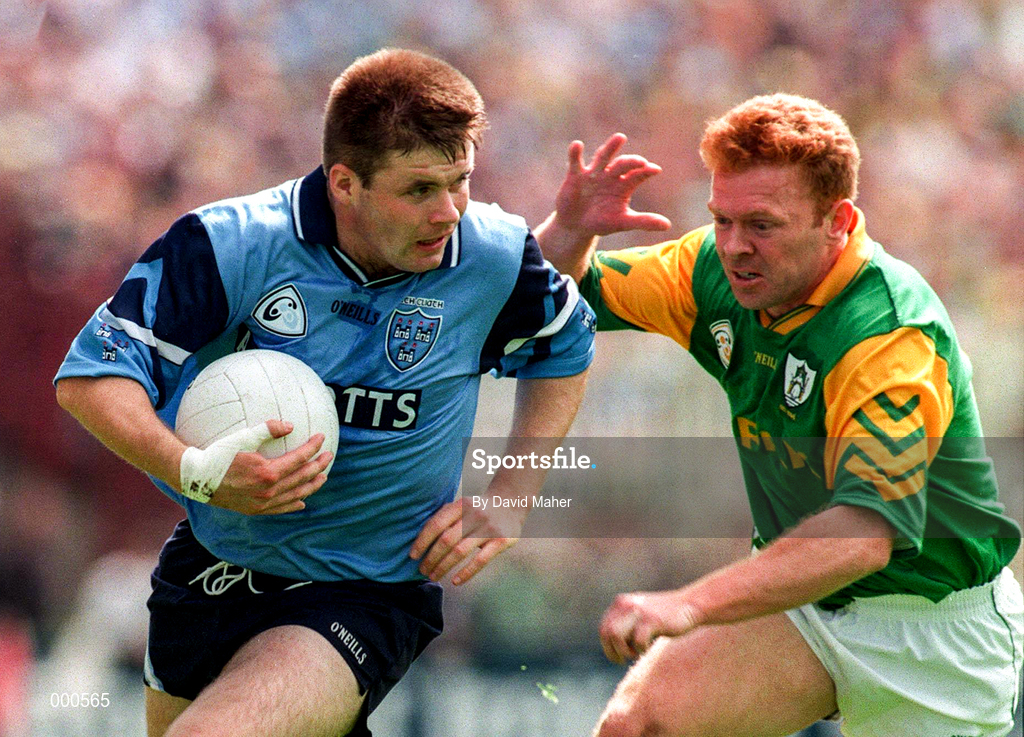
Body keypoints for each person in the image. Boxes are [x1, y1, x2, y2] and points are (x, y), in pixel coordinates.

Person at [53, 48, 632, 737]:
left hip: (366, 590)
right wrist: (195, 470)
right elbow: (93, 377)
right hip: (210, 566)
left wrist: (511, 495)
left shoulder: (491, 256)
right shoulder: (230, 245)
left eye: (462, 181)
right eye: (419, 189)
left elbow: (565, 346)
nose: (448, 211)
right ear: (345, 183)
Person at [540, 94, 1024, 736]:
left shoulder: (887, 336)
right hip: (801, 605)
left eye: (762, 225)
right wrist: (571, 231)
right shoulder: (711, 271)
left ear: (838, 219)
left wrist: (689, 603)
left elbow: (862, 538)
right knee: (637, 728)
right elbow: (554, 297)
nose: (735, 247)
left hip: (932, 637)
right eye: (722, 219)